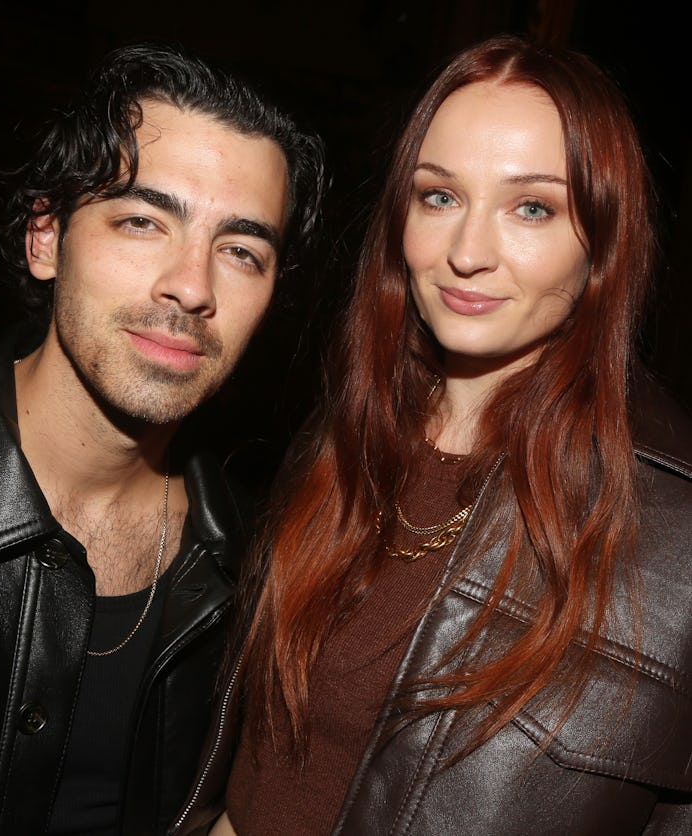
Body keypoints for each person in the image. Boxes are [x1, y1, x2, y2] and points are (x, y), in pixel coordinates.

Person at [175, 34, 692, 836]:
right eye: (439, 197)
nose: (466, 253)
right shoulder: (342, 440)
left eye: (532, 207)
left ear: (603, 243)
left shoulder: (669, 540)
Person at [0, 43, 324, 835]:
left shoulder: (264, 572)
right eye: (143, 221)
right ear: (45, 238)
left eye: (242, 251)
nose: (191, 284)